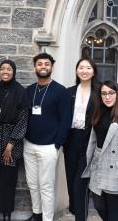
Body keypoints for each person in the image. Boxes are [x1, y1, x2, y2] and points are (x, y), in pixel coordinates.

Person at [24, 53, 71, 221]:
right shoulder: (29, 90)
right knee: (32, 184)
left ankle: (47, 218)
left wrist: (57, 145)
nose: (43, 66)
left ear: (52, 67)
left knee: (46, 186)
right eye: (39, 64)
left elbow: (66, 120)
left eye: (46, 64)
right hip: (29, 145)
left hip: (49, 147)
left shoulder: (61, 91)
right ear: (34, 67)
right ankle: (37, 214)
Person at [0, 60, 30, 221]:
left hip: (12, 139)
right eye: (2, 68)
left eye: (8, 69)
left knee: (8, 179)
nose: (5, 71)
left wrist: (10, 144)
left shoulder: (20, 92)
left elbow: (23, 120)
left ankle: (6, 213)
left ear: (14, 71)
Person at [63, 58, 99, 221]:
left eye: (88, 68)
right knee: (71, 182)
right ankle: (76, 211)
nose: (84, 71)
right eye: (81, 68)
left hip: (90, 140)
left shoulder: (99, 92)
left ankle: (80, 217)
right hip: (71, 141)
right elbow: (63, 117)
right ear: (77, 70)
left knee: (81, 184)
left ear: (93, 71)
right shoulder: (69, 91)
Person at [82, 81, 118, 221]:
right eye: (104, 93)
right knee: (99, 205)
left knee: (113, 211)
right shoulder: (98, 113)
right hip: (99, 166)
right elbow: (93, 140)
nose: (107, 97)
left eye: (111, 93)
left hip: (114, 166)